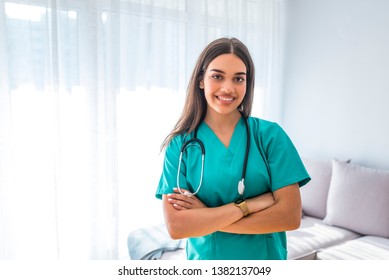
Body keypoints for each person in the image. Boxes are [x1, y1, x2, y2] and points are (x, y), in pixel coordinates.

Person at [155, 37, 310, 260]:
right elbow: (178, 227)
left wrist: (205, 218)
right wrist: (250, 205)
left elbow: (289, 217)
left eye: (239, 79)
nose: (228, 88)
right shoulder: (179, 146)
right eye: (217, 76)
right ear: (201, 80)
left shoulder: (270, 136)